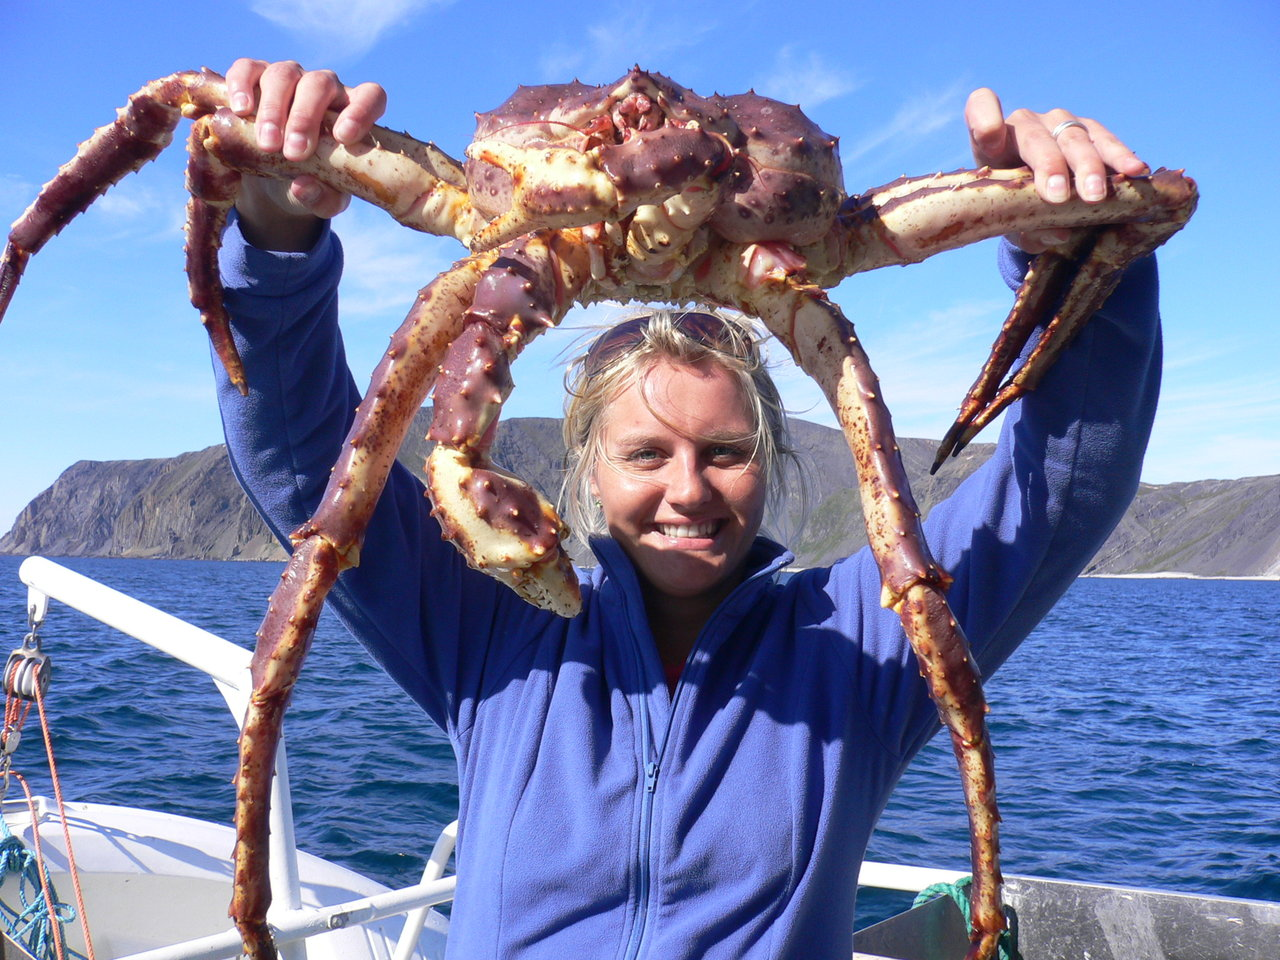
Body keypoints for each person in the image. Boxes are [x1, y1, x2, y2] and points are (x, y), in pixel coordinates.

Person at [215, 58, 1162, 958]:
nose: (688, 489)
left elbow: (1061, 487)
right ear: (588, 471)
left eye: (725, 453)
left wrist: (1076, 250)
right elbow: (308, 465)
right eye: (645, 454)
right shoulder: (494, 640)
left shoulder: (863, 653)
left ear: (773, 460)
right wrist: (275, 232)